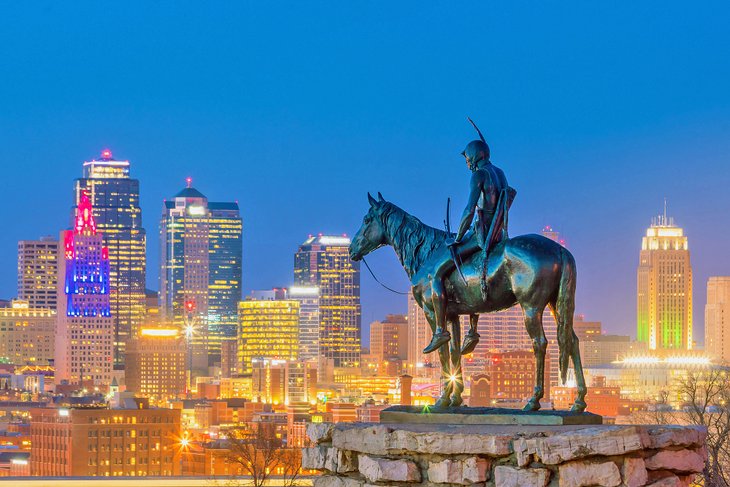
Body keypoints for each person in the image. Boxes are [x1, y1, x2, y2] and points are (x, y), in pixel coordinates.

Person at [423, 125, 516, 355]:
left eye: (467, 158)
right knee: (468, 269)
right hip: (499, 236)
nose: (466, 163)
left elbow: (469, 210)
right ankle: (472, 331)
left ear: (474, 156)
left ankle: (440, 330)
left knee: (437, 272)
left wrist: (456, 238)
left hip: (481, 236)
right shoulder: (500, 173)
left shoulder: (479, 175)